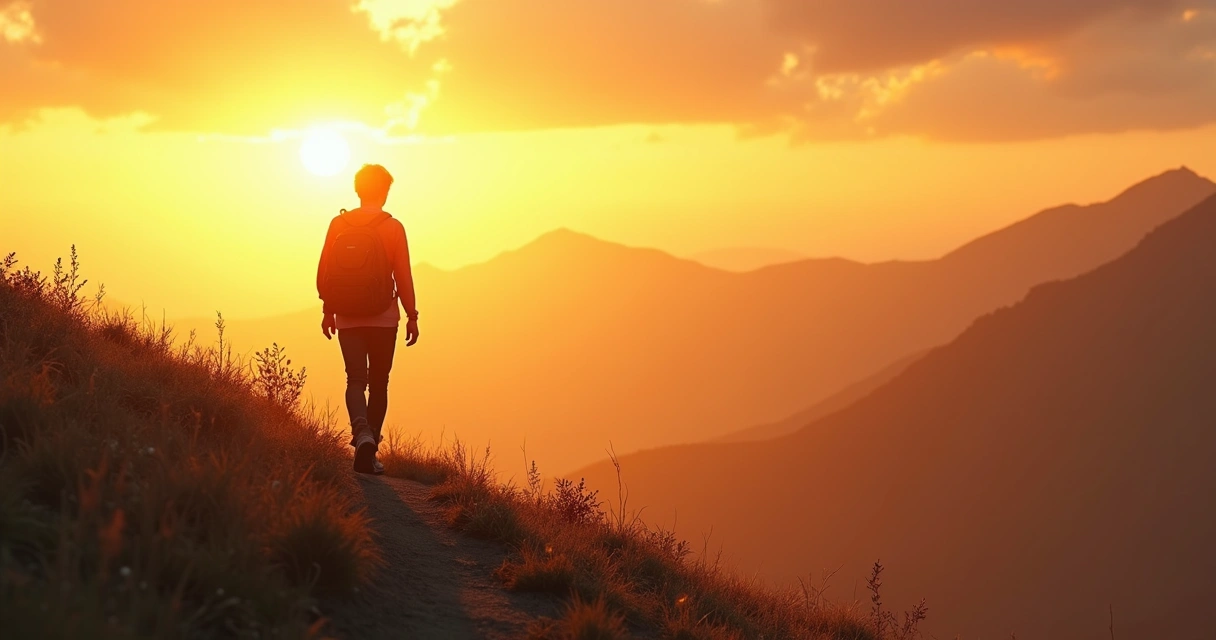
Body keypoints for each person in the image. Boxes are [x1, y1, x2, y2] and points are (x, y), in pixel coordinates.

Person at [316, 164, 420, 475]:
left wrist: (327, 310)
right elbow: (403, 276)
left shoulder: (338, 223)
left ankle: (360, 433)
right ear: (385, 191)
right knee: (379, 383)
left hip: (348, 315)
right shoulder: (393, 227)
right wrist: (412, 315)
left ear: (358, 190)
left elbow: (324, 272)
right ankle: (370, 445)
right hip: (384, 317)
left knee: (355, 380)